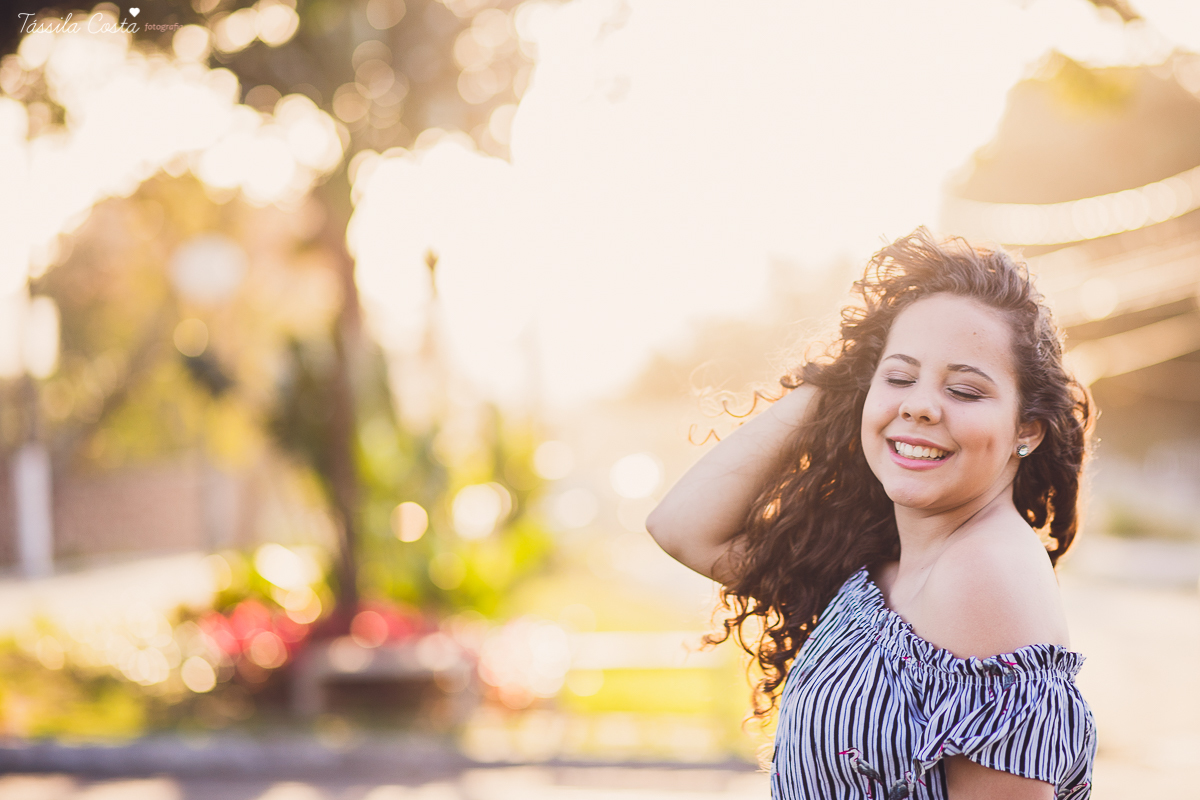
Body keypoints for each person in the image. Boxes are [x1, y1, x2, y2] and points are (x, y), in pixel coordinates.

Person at [647, 229, 1096, 800]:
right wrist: (839, 378)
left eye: (964, 390)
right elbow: (682, 527)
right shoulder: (888, 570)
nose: (918, 405)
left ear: (1026, 429)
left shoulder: (986, 575)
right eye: (900, 378)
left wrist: (882, 371)